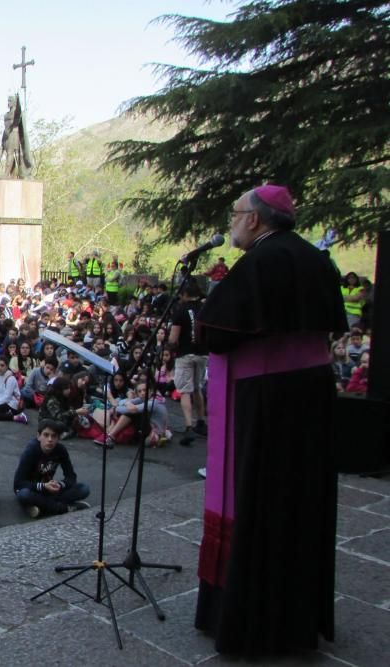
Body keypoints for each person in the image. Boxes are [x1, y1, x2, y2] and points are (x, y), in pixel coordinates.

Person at [194, 184, 347, 657]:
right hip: (309, 396)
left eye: (236, 214)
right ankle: (295, 618)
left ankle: (251, 619)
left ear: (256, 219)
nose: (232, 223)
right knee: (297, 503)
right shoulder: (315, 258)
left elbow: (215, 332)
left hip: (265, 399)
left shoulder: (259, 262)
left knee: (258, 501)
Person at [13, 419, 90, 517]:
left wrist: (60, 484)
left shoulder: (61, 450)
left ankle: (41, 507)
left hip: (50, 490)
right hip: (33, 489)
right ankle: (64, 508)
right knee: (24, 494)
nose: (50, 439)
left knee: (84, 488)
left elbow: (71, 477)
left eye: (54, 436)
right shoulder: (31, 451)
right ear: (38, 436)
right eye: (46, 435)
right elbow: (18, 484)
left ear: (58, 438)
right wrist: (43, 486)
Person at [169, 283, 208, 446]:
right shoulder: (205, 308)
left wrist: (171, 347)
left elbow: (173, 339)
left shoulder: (181, 310)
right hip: (203, 353)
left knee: (185, 390)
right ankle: (201, 421)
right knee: (197, 387)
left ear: (185, 294)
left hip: (185, 354)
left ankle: (188, 426)